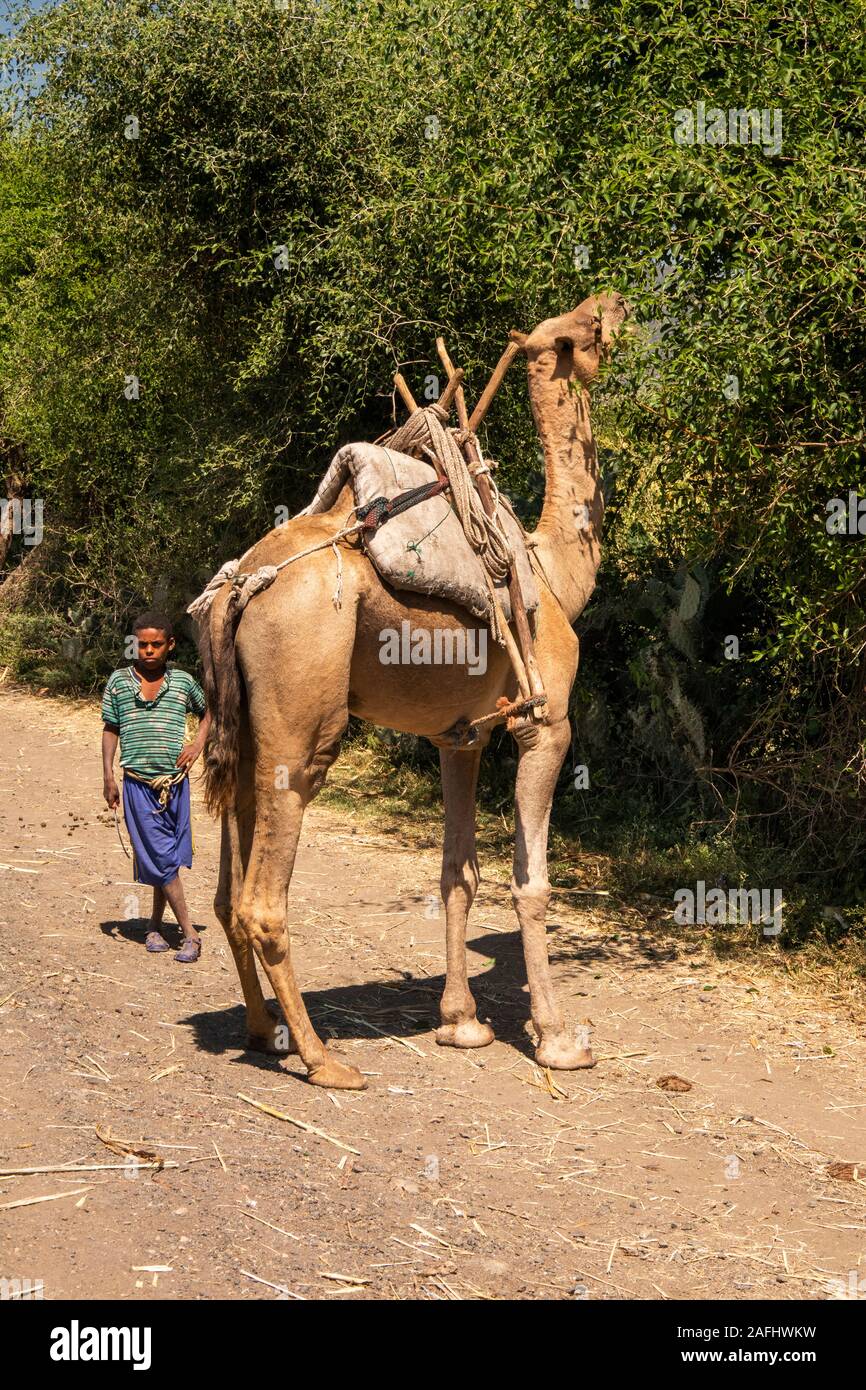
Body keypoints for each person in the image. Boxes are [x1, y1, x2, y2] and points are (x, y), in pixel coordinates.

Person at [101, 611, 211, 962]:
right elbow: (110, 729)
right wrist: (107, 775)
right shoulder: (119, 682)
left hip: (175, 785)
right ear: (135, 644)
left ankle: (153, 925)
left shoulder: (182, 682)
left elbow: (209, 712)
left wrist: (197, 745)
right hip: (137, 785)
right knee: (161, 857)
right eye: (142, 644)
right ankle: (191, 935)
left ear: (170, 645)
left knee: (167, 859)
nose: (148, 650)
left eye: (156, 644)